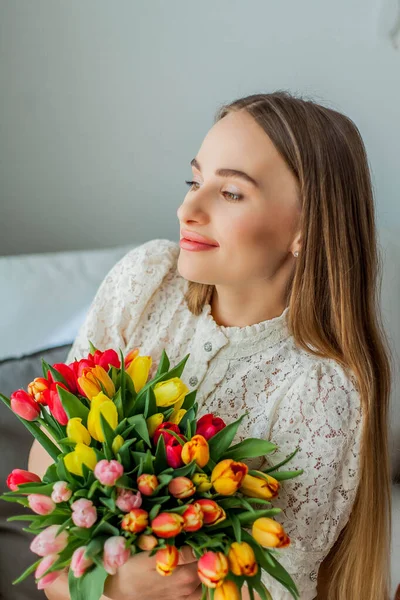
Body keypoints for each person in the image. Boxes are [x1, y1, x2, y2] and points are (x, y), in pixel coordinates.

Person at [28, 91, 392, 600]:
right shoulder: (146, 281)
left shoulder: (318, 388)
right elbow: (47, 465)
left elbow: (273, 588)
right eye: (194, 181)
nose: (187, 208)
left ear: (306, 227)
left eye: (232, 194)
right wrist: (106, 586)